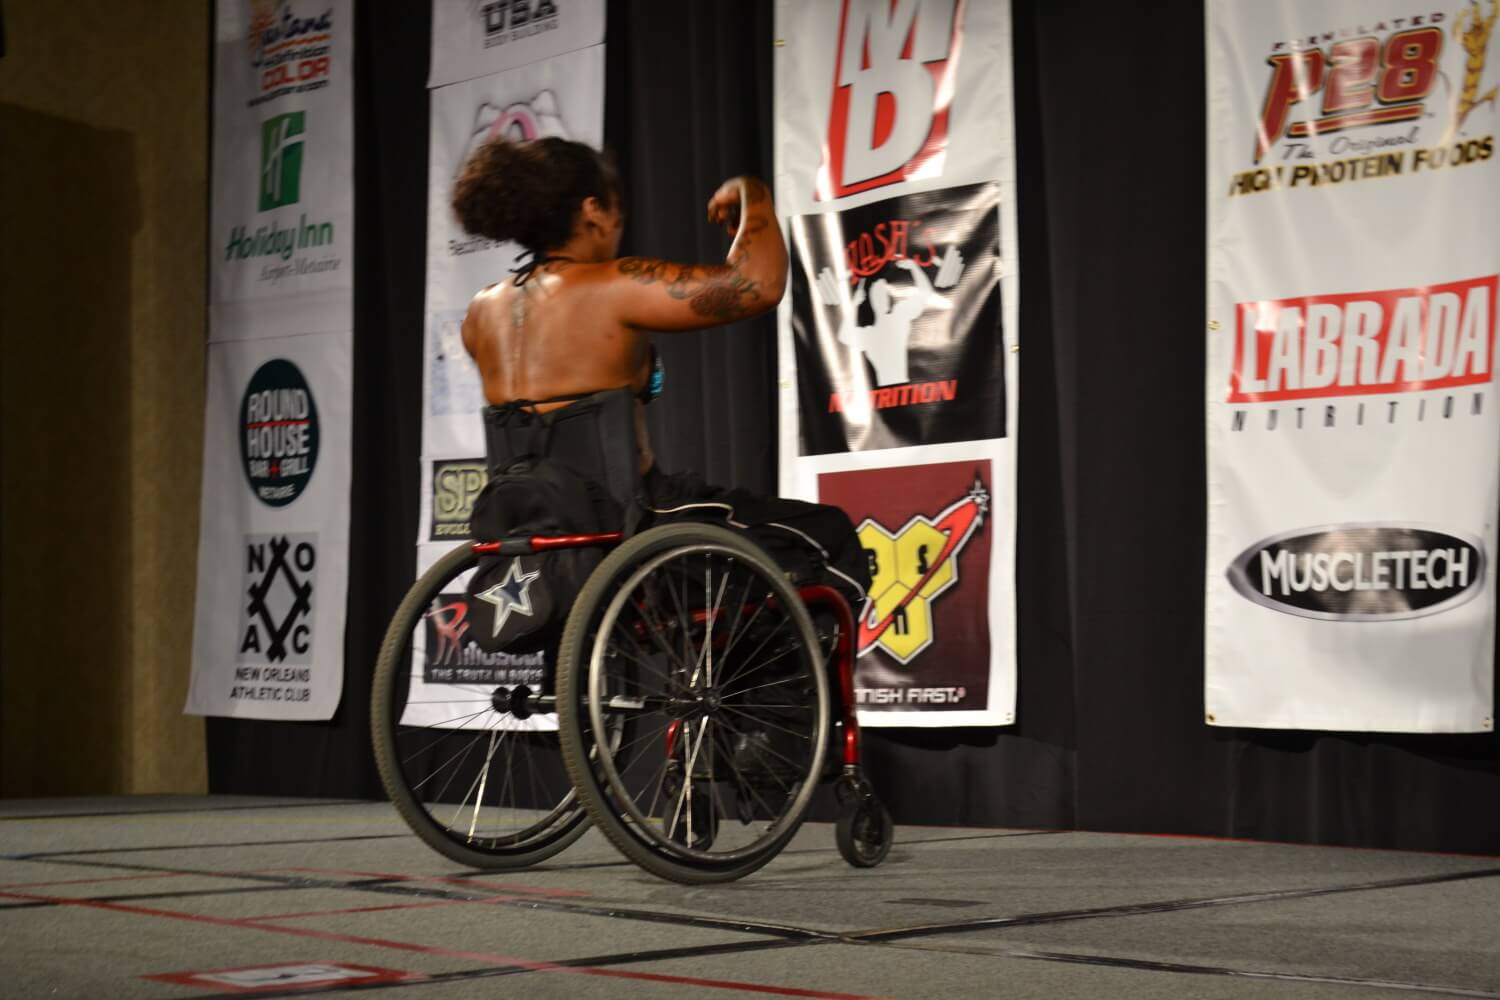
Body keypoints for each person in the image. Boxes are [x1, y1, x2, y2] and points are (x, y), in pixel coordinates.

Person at [451, 136, 869, 605]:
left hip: (528, 530)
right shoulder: (614, 285)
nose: (618, 226)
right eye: (617, 212)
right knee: (825, 533)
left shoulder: (480, 314)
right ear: (593, 210)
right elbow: (758, 284)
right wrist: (755, 197)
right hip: (632, 518)